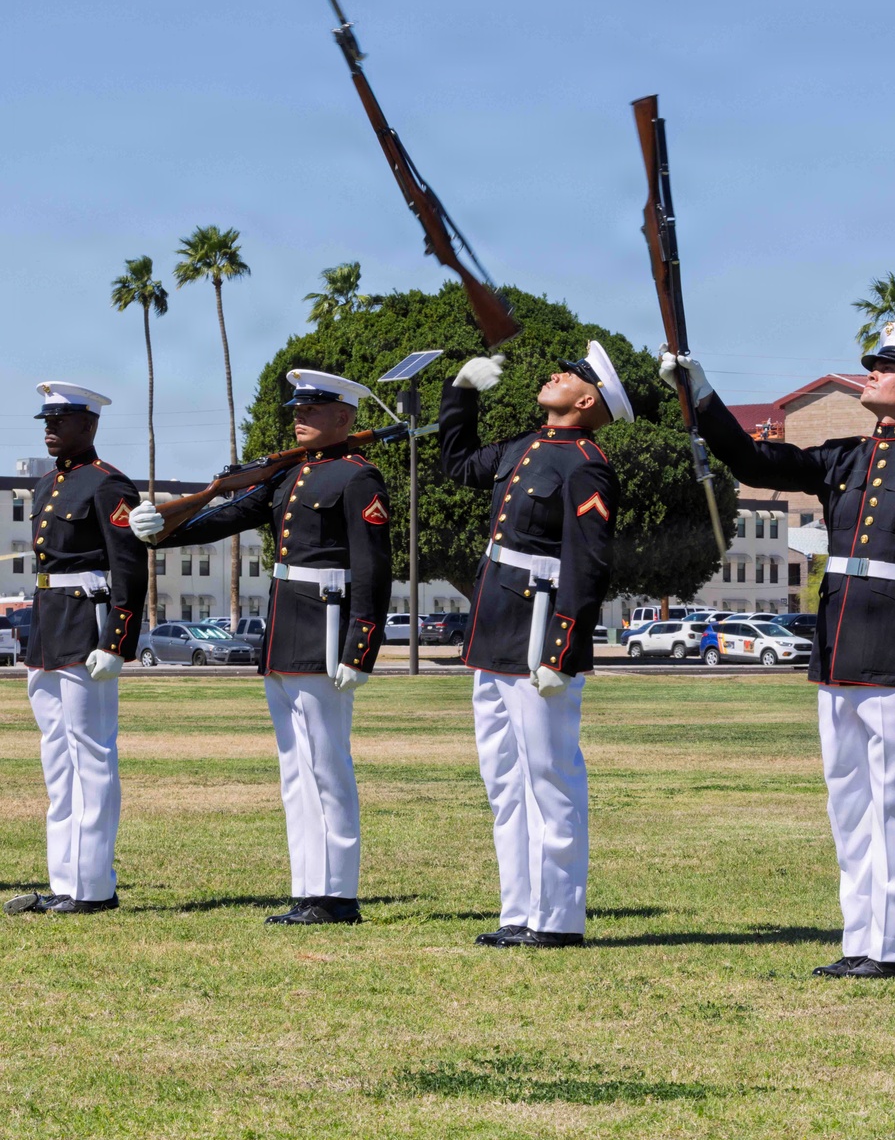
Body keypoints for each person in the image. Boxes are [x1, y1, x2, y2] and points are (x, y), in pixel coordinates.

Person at [660, 323, 895, 978]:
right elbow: (754, 463)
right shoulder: (844, 459)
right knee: (848, 801)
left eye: (884, 367)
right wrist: (702, 394)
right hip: (836, 651)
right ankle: (860, 939)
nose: (870, 372)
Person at [127, 368, 392, 926]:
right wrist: (162, 529)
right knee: (295, 766)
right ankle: (307, 889)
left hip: (325, 626)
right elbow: (226, 516)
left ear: (343, 417)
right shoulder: (288, 475)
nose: (298, 416)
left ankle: (338, 893)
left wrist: (359, 647)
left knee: (327, 763)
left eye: (313, 409)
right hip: (285, 626)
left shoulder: (358, 478)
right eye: (297, 407)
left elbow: (373, 569)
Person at [439, 342, 633, 948]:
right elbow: (460, 463)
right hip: (495, 622)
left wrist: (562, 647)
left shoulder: (587, 465)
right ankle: (518, 911)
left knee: (549, 776)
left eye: (571, 375)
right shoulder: (526, 447)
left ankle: (558, 918)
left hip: (538, 626)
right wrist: (460, 395)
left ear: (587, 399)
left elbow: (589, 563)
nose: (556, 375)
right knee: (503, 778)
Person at [4, 384, 149, 916]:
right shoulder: (47, 485)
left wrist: (117, 640)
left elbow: (130, 567)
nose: (49, 426)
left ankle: (94, 887)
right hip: (47, 625)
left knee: (91, 756)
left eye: (60, 418)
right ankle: (65, 881)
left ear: (87, 426)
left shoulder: (108, 484)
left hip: (87, 623)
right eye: (46, 418)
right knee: (56, 760)